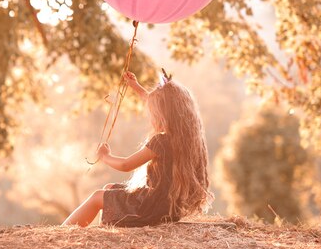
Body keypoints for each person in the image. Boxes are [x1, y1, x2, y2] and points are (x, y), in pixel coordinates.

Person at [62, 69, 212, 227]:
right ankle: (106, 230)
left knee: (97, 197)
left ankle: (62, 232)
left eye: (153, 114)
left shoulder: (161, 142)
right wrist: (136, 86)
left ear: (164, 115)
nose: (151, 117)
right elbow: (160, 103)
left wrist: (105, 156)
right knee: (109, 188)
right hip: (167, 209)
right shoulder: (188, 141)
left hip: (149, 209)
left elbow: (126, 165)